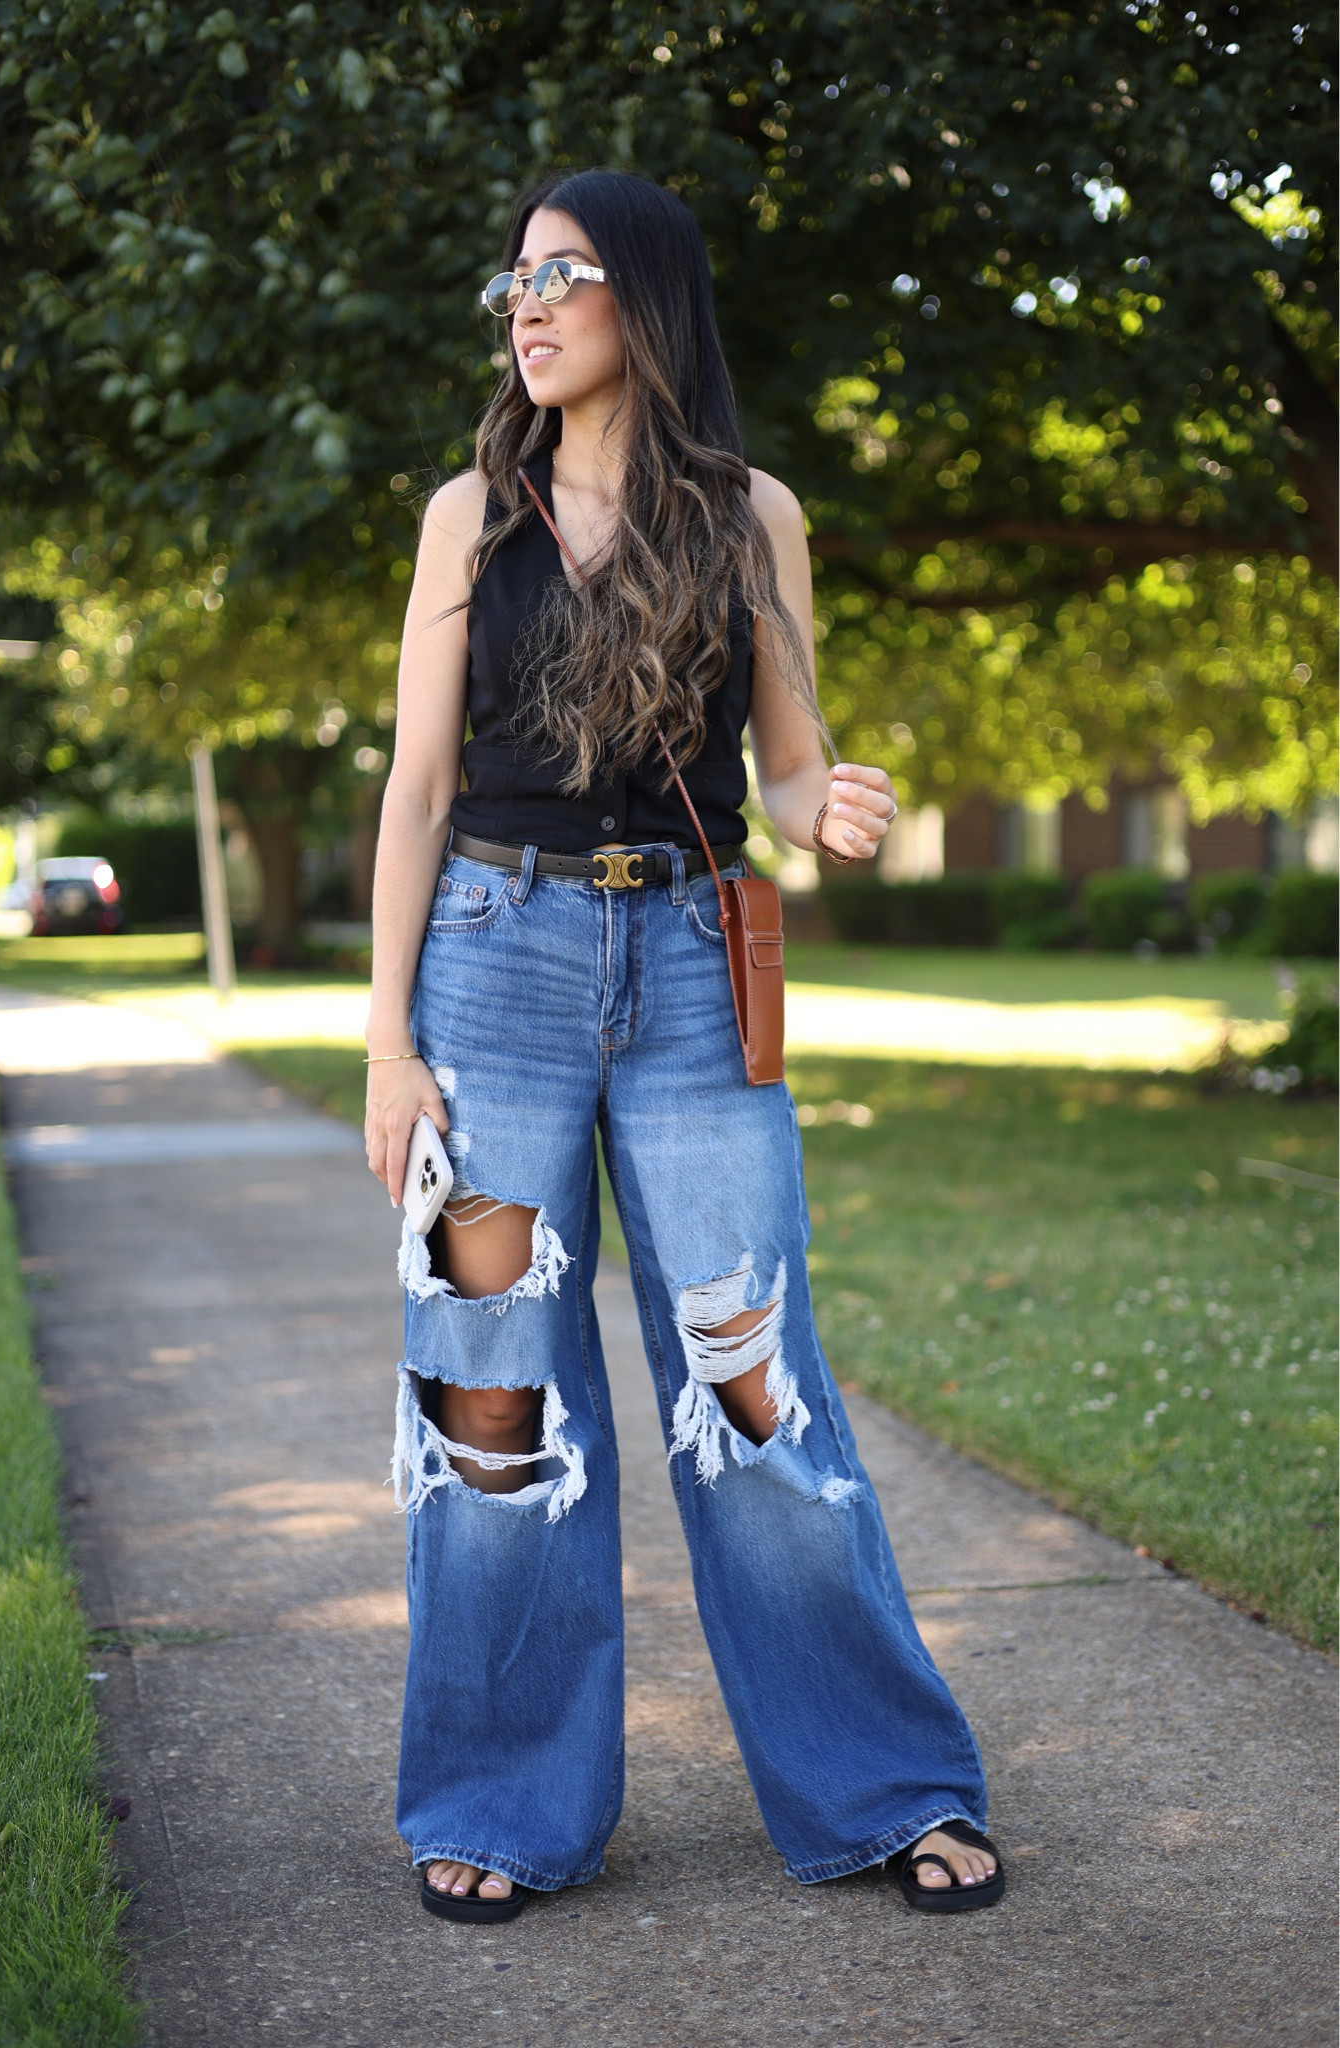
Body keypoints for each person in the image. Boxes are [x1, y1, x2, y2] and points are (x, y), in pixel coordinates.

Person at [363, 167, 1003, 1923]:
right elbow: (416, 788)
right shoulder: (464, 519)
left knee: (755, 1389)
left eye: (563, 274)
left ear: (643, 297)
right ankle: (500, 1797)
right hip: (490, 970)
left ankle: (881, 1788)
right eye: (513, 280)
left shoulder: (746, 515)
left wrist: (832, 805)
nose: (528, 303)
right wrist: (384, 1048)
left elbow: (784, 770)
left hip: (693, 967)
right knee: (491, 1403)